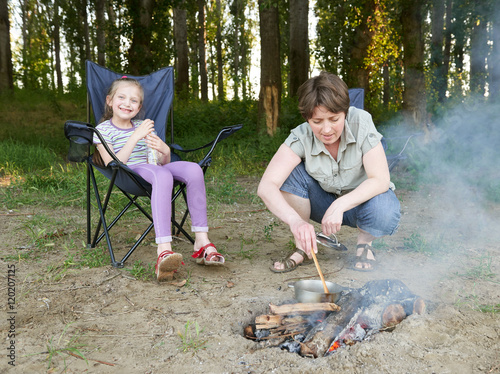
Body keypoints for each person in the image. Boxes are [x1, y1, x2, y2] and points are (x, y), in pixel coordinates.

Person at [257, 72, 400, 273]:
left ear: (345, 112)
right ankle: (304, 247)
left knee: (385, 209)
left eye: (334, 119)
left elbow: (381, 180)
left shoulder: (361, 122)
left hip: (362, 204)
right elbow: (266, 186)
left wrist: (341, 204)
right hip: (322, 204)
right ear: (307, 118)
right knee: (291, 173)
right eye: (317, 121)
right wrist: (295, 221)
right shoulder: (301, 135)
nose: (326, 129)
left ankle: (364, 244)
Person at [93, 77, 224, 281]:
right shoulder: (102, 130)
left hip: (153, 169)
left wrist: (164, 150)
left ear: (139, 107)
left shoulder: (142, 125)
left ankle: (202, 241)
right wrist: (135, 136)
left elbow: (161, 161)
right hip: (129, 173)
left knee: (194, 169)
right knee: (161, 174)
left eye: (134, 100)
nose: (127, 103)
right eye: (122, 97)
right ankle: (164, 250)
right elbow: (114, 162)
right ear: (110, 101)